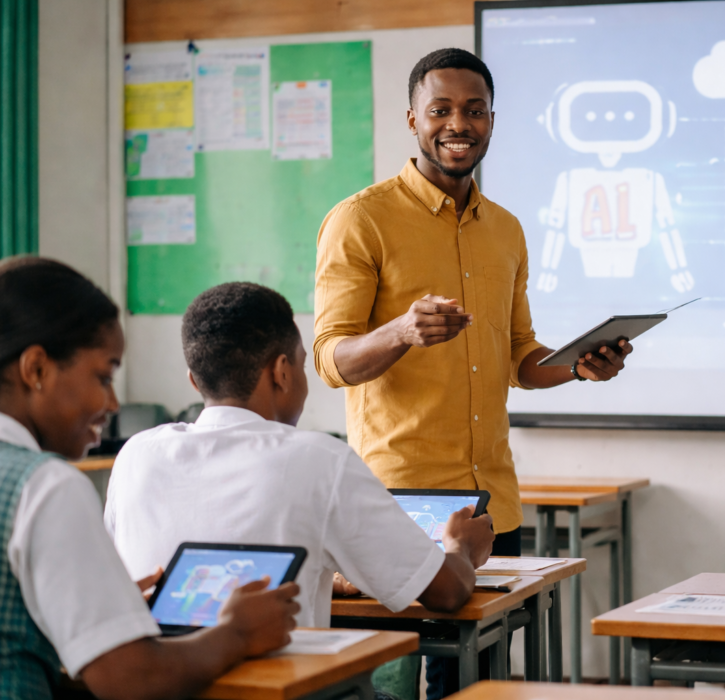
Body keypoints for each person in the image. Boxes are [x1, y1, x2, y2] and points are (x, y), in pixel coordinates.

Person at [313, 47, 634, 695]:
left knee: (482, 681)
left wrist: (579, 366)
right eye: (441, 110)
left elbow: (521, 361)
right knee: (398, 682)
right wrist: (403, 330)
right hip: (400, 502)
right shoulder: (361, 219)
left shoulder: (507, 231)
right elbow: (331, 362)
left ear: (492, 120)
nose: (458, 124)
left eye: (474, 110)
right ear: (412, 119)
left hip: (492, 503)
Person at [105, 282, 495, 631]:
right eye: (304, 365)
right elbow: (445, 592)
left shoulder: (136, 455)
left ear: (194, 380)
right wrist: (460, 548)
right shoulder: (320, 460)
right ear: (282, 372)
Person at [0, 258, 299, 700]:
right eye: (103, 376)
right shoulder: (44, 486)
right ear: (37, 369)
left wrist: (104, 621)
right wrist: (237, 633)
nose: (114, 402)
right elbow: (131, 679)